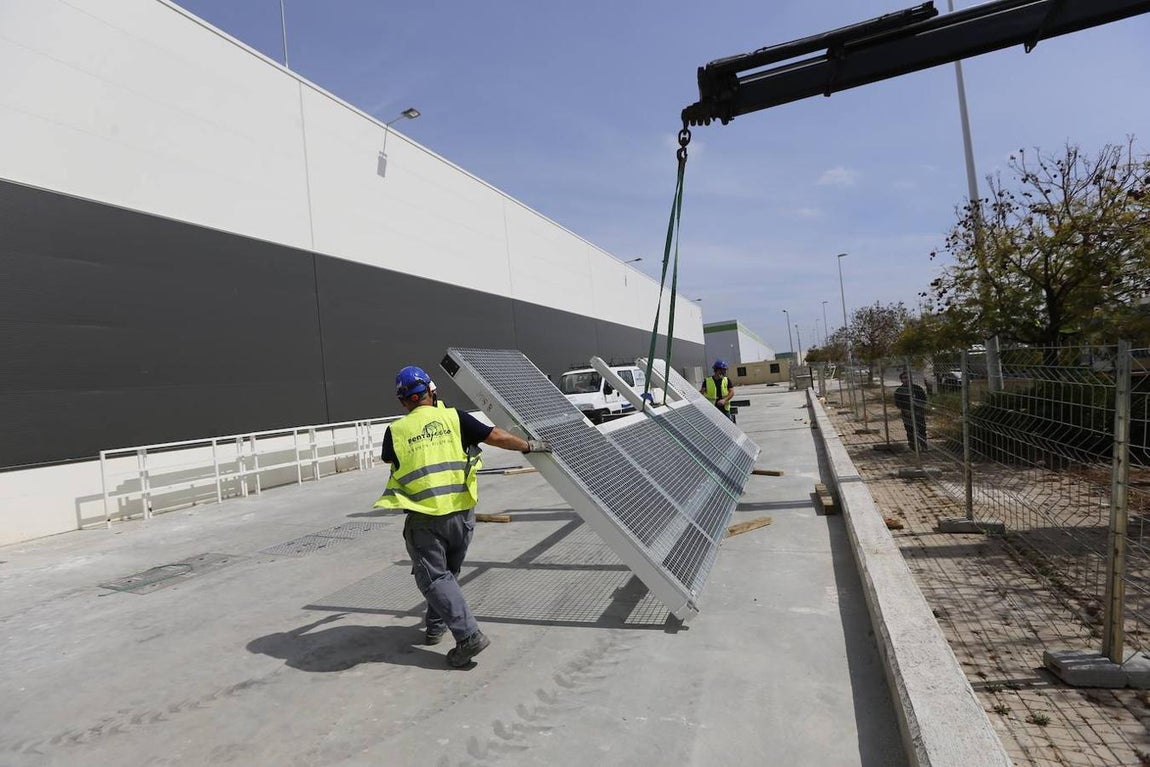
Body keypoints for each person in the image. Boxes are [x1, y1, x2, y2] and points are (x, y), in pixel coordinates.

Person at [373, 365, 550, 668]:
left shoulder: (396, 432)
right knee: (446, 575)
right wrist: (529, 445)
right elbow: (495, 436)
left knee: (434, 578)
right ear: (431, 391)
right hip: (462, 514)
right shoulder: (455, 418)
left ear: (403, 402)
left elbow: (391, 458)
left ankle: (468, 637)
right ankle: (435, 625)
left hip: (425, 516)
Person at [894, 370, 928, 451]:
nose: (907, 380)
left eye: (908, 378)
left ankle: (923, 446)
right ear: (901, 380)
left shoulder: (917, 388)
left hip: (918, 413)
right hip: (907, 414)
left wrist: (919, 409)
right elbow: (898, 403)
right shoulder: (899, 391)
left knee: (921, 429)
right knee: (910, 430)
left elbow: (923, 400)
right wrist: (906, 410)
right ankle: (913, 447)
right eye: (904, 378)